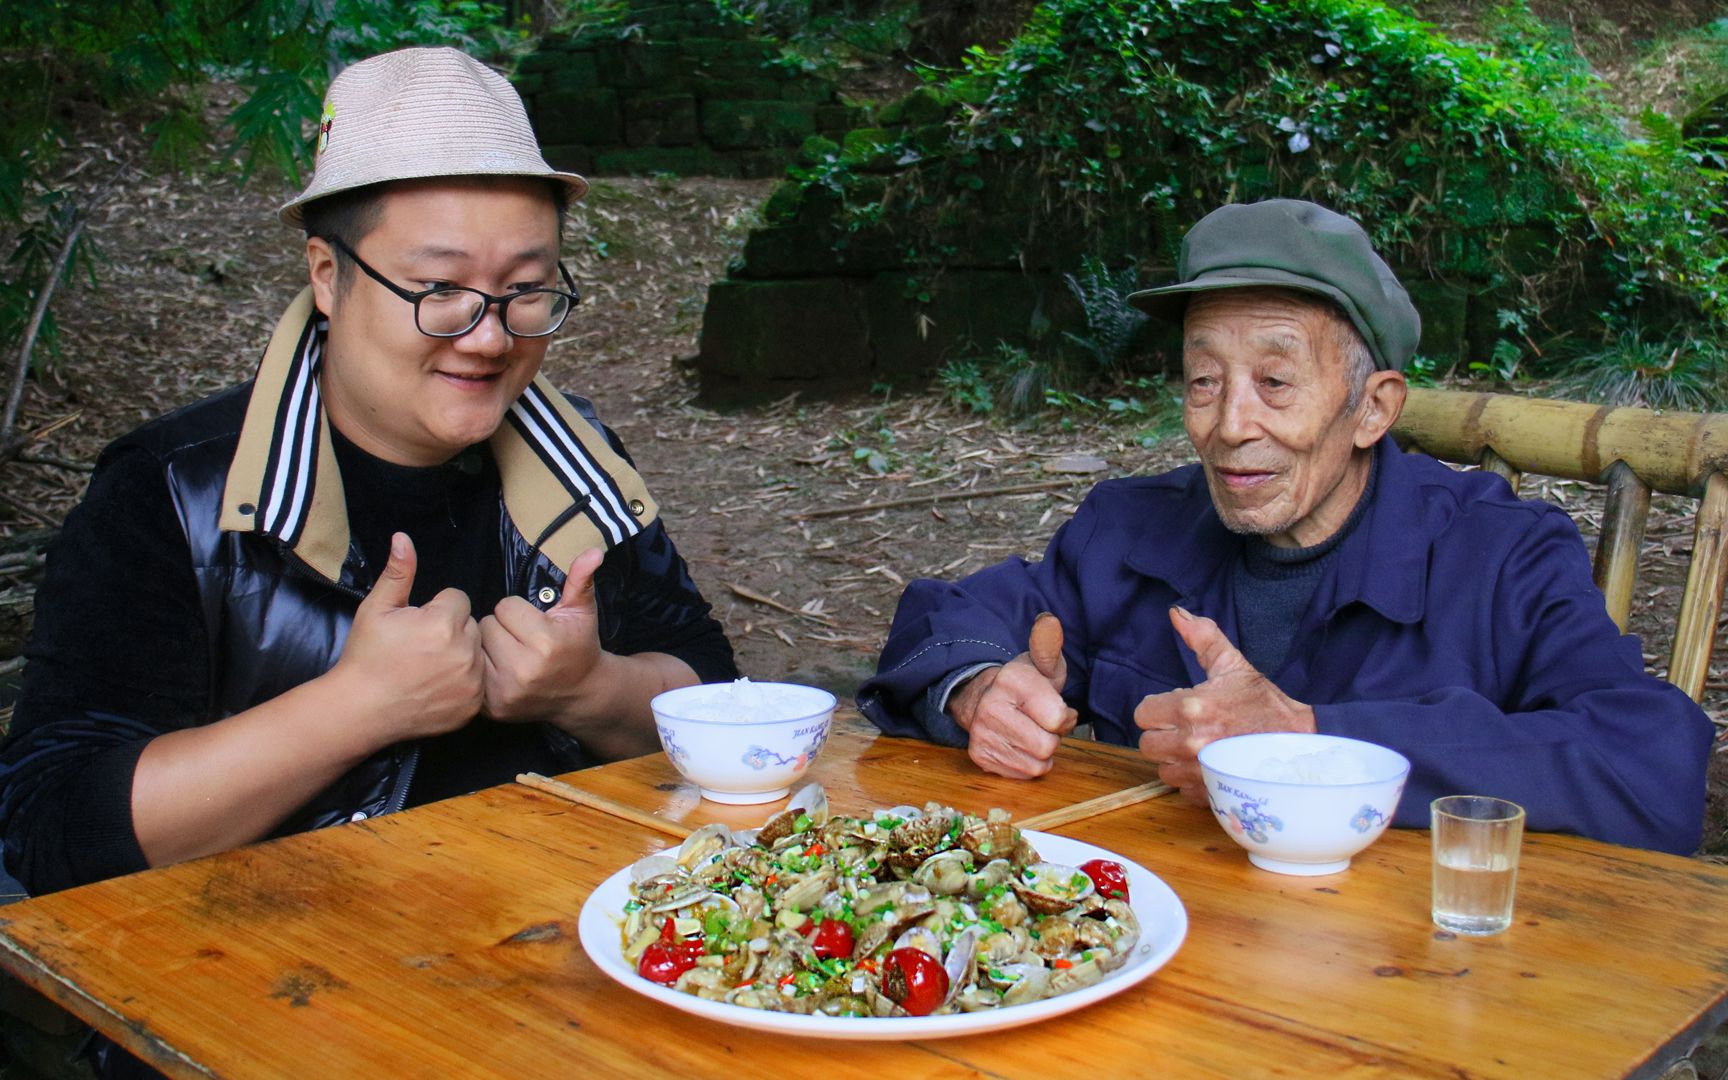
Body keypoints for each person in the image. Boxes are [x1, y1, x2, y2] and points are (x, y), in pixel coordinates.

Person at [0, 46, 737, 899]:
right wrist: (355, 707)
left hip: (553, 939)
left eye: (526, 290)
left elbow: (713, 690)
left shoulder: (576, 465)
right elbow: (49, 828)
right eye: (440, 287)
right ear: (327, 275)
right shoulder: (175, 490)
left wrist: (589, 689)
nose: (490, 337)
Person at [858, 198, 1713, 856]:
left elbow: (1651, 764)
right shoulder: (1131, 528)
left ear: (1373, 408)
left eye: (1274, 381)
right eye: (1202, 380)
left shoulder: (1498, 557)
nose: (1230, 424)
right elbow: (950, 616)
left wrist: (1313, 743)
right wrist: (977, 687)